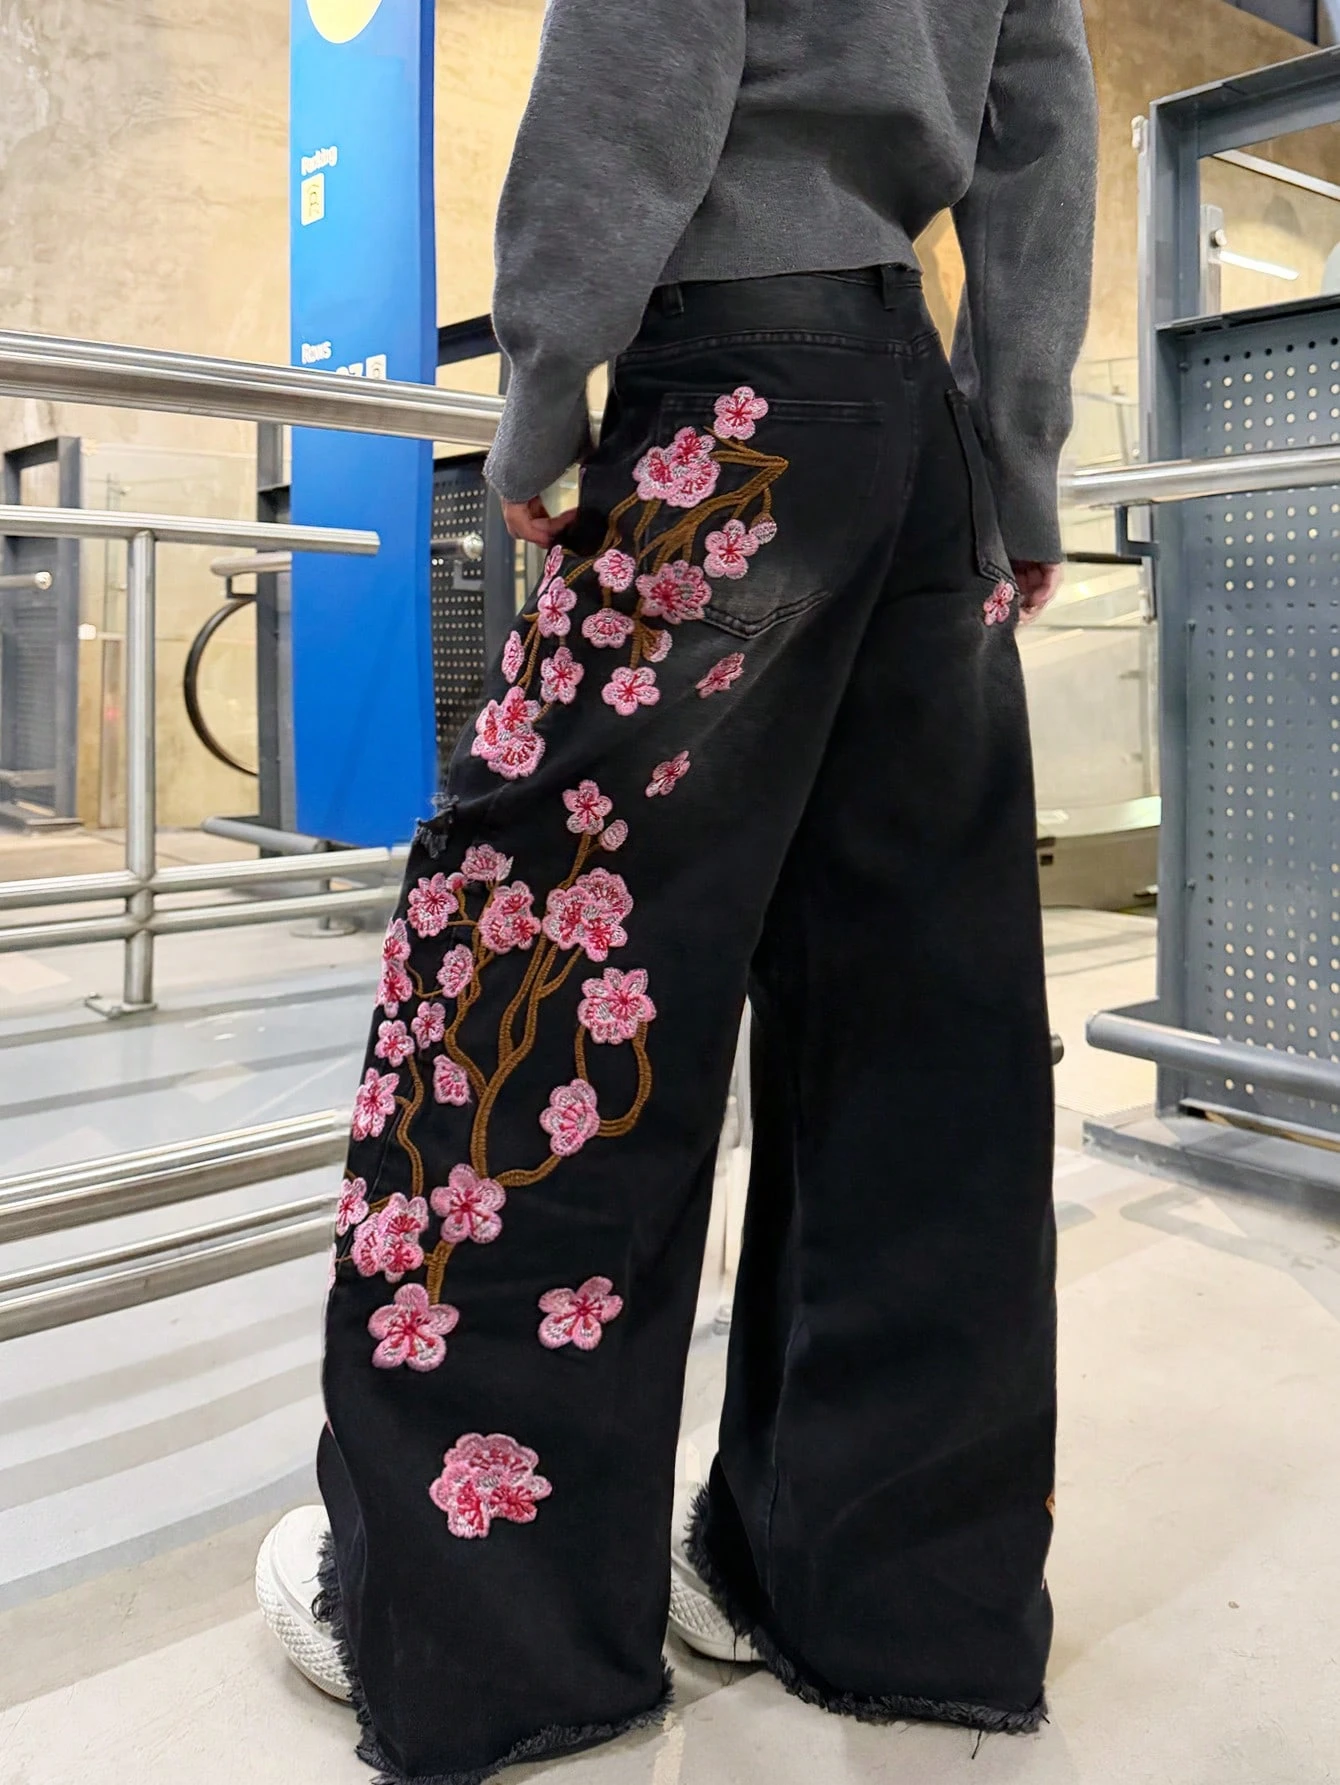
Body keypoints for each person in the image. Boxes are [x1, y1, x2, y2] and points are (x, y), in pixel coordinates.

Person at [256, 2, 1096, 1780]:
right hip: (921, 431)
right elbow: (1040, 122)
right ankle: (880, 1603)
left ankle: (491, 1632)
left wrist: (545, 384)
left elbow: (643, 47)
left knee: (529, 989)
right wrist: (1015, 456)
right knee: (918, 1037)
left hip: (723, 396)